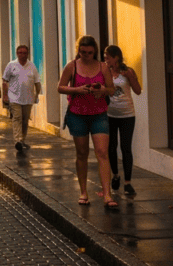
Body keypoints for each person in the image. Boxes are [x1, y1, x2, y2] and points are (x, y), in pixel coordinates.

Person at [58, 35, 116, 209]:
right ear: (79, 51)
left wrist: (103, 90)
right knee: (82, 153)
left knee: (102, 152)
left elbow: (112, 90)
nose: (86, 55)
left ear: (95, 52)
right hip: (77, 114)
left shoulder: (103, 67)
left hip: (99, 114)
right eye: (83, 52)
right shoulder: (72, 66)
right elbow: (60, 87)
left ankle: (107, 195)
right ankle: (83, 191)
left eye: (90, 52)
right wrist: (76, 89)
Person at [105, 45, 142, 197]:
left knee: (126, 147)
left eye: (108, 57)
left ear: (116, 58)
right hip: (110, 115)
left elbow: (138, 91)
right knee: (111, 147)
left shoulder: (128, 72)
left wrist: (130, 77)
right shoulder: (105, 72)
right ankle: (115, 175)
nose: (105, 59)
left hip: (127, 115)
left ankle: (127, 183)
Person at [2, 45, 41, 149]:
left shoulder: (32, 66)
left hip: (28, 98)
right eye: (20, 53)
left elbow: (37, 82)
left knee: (25, 120)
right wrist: (5, 95)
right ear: (17, 54)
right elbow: (4, 81)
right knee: (17, 118)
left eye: (24, 53)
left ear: (27, 54)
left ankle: (22, 139)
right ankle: (18, 140)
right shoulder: (11, 65)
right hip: (14, 97)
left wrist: (37, 95)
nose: (22, 55)